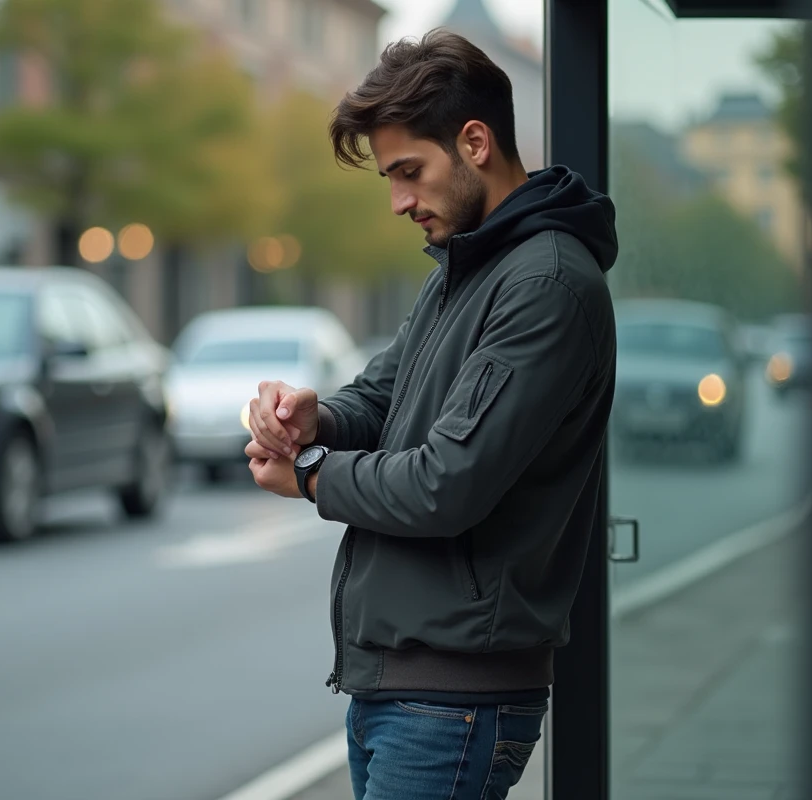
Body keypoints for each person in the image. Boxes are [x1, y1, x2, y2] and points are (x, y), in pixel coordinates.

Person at [244, 29, 619, 800]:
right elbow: (384, 396)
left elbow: (447, 484)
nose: (399, 202)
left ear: (475, 142)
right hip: (408, 689)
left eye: (409, 172)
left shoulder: (544, 283)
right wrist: (314, 421)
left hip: (454, 700)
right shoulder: (470, 264)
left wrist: (309, 474)